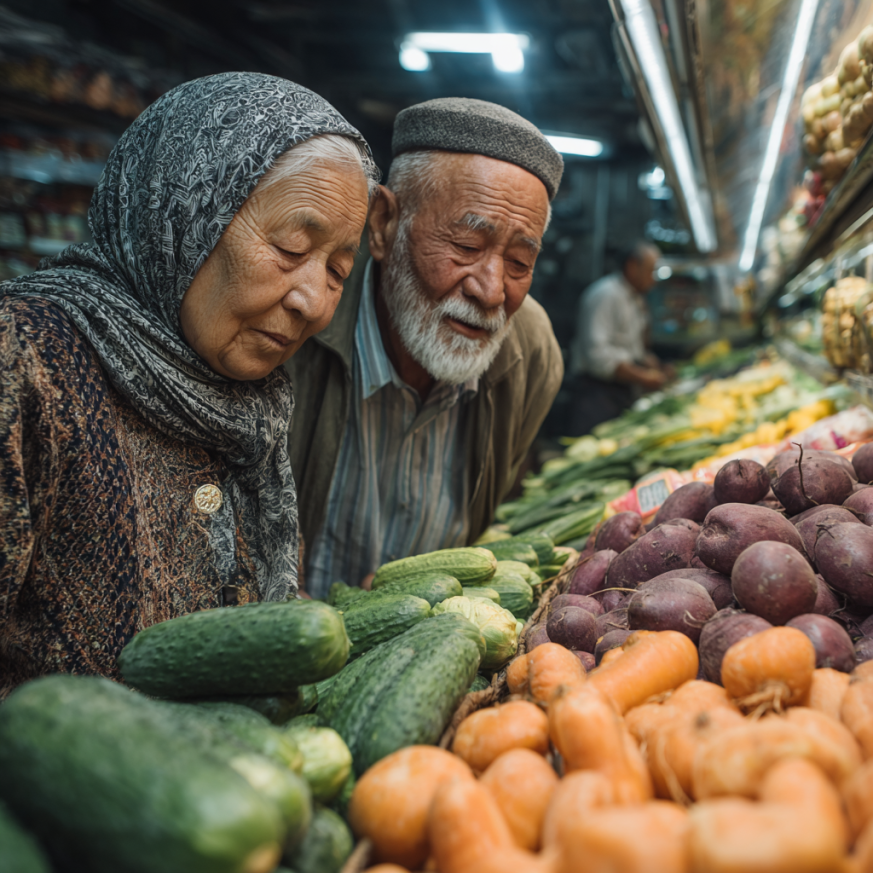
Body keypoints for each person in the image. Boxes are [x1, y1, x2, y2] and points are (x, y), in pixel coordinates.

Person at [0, 72, 378, 697]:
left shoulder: (249, 401)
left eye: (338, 270)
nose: (314, 302)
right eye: (289, 247)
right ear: (181, 211)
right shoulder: (24, 362)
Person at [285, 97, 565, 598]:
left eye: (520, 262)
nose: (492, 290)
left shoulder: (531, 355)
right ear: (384, 225)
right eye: (466, 247)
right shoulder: (295, 323)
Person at [569, 241, 672, 433]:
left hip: (622, 391)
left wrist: (654, 365)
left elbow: (634, 349)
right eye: (651, 271)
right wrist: (644, 377)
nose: (654, 280)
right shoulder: (605, 295)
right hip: (597, 393)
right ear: (633, 266)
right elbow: (598, 356)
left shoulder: (635, 299)